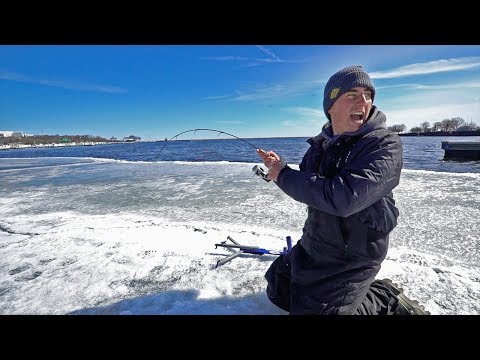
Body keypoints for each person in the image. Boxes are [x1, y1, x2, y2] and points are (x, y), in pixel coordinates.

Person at [257, 65, 406, 315]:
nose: (363, 101)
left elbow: (345, 199)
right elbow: (306, 183)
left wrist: (284, 175)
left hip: (355, 255)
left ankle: (383, 297)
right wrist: (279, 168)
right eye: (352, 95)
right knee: (277, 289)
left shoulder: (384, 144)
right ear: (331, 106)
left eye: (367, 95)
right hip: (316, 241)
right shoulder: (320, 145)